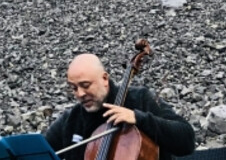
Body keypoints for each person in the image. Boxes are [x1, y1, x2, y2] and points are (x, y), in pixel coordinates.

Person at [42, 54, 195, 160]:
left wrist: (139, 118)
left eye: (85, 85)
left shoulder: (140, 99)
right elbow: (40, 152)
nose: (80, 94)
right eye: (74, 88)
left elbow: (187, 140)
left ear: (104, 79)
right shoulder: (72, 119)